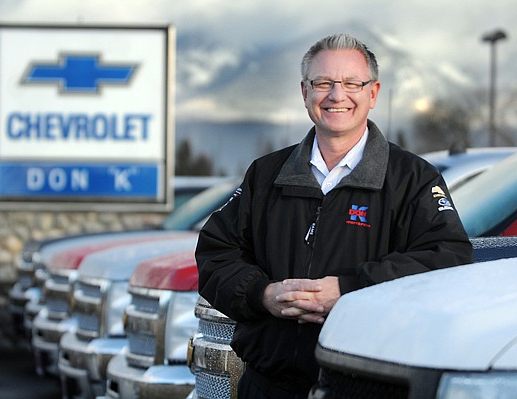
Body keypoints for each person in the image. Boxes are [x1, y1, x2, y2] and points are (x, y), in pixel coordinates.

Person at [195, 33, 473, 399]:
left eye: (352, 83)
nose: (337, 95)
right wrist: (262, 293)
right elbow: (216, 253)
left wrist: (349, 289)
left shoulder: (413, 179)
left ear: (373, 94)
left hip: (371, 387)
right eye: (323, 83)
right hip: (269, 387)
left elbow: (448, 257)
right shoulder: (266, 174)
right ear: (304, 92)